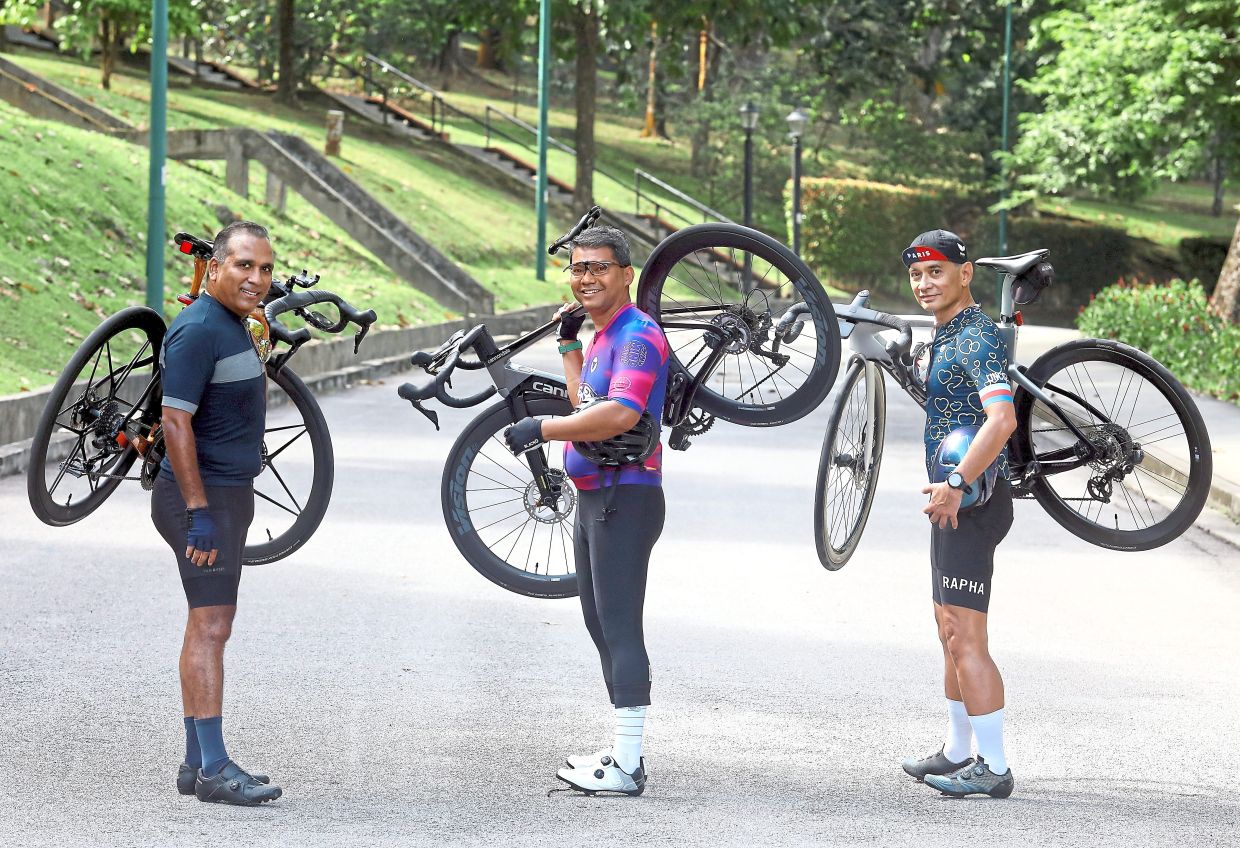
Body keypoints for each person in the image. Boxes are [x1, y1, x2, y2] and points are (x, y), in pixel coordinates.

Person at [503, 225, 669, 796]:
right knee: (600, 622)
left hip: (626, 495)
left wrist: (541, 427)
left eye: (600, 267)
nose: (587, 278)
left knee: (619, 624)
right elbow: (587, 405)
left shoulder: (638, 335)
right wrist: (569, 346)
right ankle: (622, 751)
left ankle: (627, 763)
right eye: (578, 268)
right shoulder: (603, 336)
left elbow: (621, 413)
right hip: (597, 496)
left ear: (627, 275)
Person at [150, 220, 282, 806]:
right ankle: (214, 770)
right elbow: (175, 421)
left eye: (265, 268)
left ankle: (194, 761)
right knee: (212, 627)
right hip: (202, 499)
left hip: (225, 495)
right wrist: (198, 512)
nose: (257, 278)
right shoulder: (200, 330)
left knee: (205, 623)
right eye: (244, 265)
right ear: (214, 268)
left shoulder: (233, 323)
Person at [899, 230, 1018, 798]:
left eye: (937, 272)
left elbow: (1002, 420)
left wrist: (955, 481)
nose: (924, 284)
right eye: (916, 275)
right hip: (952, 502)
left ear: (965, 274)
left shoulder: (974, 336)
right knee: (947, 629)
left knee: (965, 635)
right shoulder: (946, 332)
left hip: (972, 500)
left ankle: (993, 767)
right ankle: (956, 750)